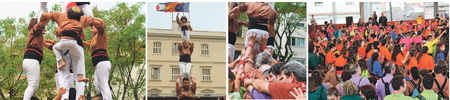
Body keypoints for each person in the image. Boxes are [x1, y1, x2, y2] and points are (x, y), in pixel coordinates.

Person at [23, 18, 55, 100]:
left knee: (34, 86)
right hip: (32, 59)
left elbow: (47, 45)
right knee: (33, 84)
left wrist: (56, 46)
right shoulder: (34, 31)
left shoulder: (37, 37)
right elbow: (39, 26)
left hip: (30, 60)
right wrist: (46, 17)